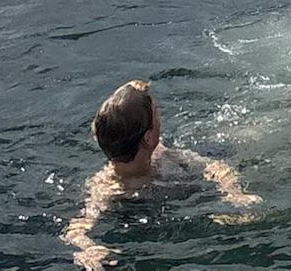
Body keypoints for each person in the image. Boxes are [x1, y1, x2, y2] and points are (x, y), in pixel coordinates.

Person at [65, 79, 258, 271]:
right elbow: (76, 230)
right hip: (145, 215)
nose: (160, 116)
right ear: (148, 137)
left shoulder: (160, 152)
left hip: (181, 184)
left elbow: (215, 167)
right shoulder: (109, 186)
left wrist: (234, 192)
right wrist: (87, 249)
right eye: (157, 113)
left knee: (244, 136)